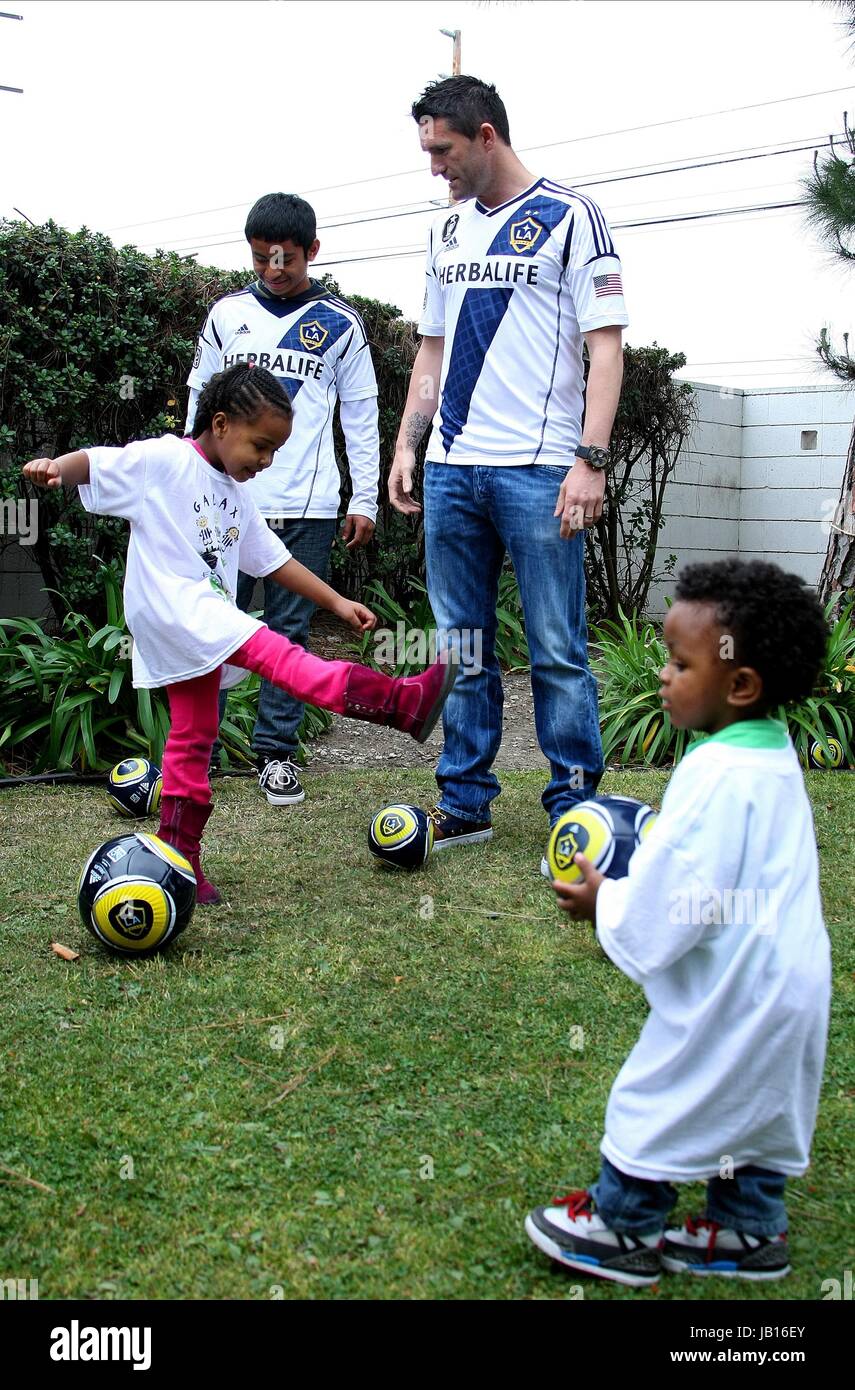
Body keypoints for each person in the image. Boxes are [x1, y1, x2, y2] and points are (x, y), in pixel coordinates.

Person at [23, 365, 457, 906]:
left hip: (192, 624)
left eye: (276, 450)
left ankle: (179, 864)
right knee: (281, 655)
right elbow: (98, 461)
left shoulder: (233, 493)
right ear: (221, 423)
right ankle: (400, 704)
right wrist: (55, 468)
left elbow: (274, 562)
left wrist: (338, 602)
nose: (267, 460)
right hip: (179, 609)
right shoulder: (166, 458)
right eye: (262, 445)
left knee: (193, 737)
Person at [526, 559, 831, 1287]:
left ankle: (620, 1227)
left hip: (733, 995)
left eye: (677, 662)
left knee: (663, 1094)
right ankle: (748, 1231)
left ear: (740, 684)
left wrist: (608, 902)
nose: (661, 675)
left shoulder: (713, 775)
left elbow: (676, 895)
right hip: (787, 985)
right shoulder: (767, 752)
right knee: (754, 1103)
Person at [389, 76, 627, 854]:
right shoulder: (446, 230)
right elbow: (431, 344)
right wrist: (407, 442)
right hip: (453, 469)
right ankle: (465, 802)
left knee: (556, 645)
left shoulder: (570, 216)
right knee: (461, 645)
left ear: (485, 135)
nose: (434, 166)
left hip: (537, 469)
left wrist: (588, 461)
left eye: (443, 149)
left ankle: (574, 804)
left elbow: (605, 347)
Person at [186, 192, 380, 807]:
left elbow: (361, 413)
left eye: (287, 258)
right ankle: (201, 752)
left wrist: (365, 497)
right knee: (213, 626)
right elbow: (200, 398)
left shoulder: (342, 325)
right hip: (223, 501)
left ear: (312, 252)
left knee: (290, 631)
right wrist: (187, 476)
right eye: (262, 257)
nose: (274, 268)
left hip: (310, 504)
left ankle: (276, 754)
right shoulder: (225, 314)